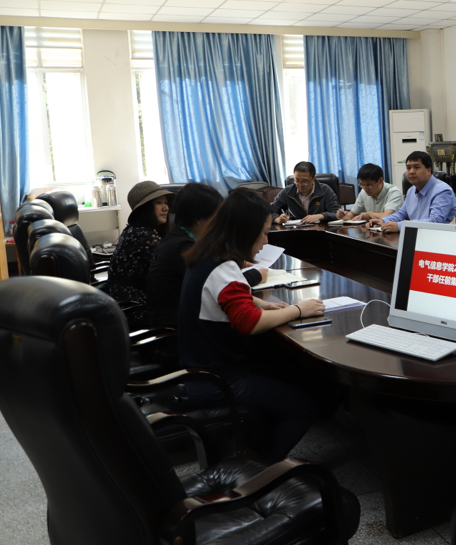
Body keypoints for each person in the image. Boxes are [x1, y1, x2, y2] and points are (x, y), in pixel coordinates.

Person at [179, 189, 326, 462]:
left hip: (203, 369)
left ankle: (255, 445)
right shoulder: (223, 268)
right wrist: (298, 310)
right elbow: (250, 323)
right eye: (264, 233)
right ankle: (261, 467)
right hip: (221, 380)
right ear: (245, 232)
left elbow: (215, 298)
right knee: (306, 407)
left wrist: (256, 302)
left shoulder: (207, 255)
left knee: (292, 372)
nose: (265, 241)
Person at [143, 183, 266, 328]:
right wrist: (255, 275)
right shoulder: (183, 248)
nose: (219, 222)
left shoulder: (176, 238)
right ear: (198, 218)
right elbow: (215, 284)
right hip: (171, 328)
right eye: (216, 216)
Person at [105, 180, 173, 329]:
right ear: (145, 208)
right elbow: (167, 273)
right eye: (159, 203)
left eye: (166, 203)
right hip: (136, 307)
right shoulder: (146, 236)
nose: (166, 208)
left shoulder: (132, 230)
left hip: (121, 303)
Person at [368, 151, 456, 234]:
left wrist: (399, 226)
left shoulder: (442, 191)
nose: (411, 171)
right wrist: (383, 221)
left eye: (417, 167)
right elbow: (402, 214)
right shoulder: (411, 190)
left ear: (428, 170)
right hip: (418, 235)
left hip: (441, 237)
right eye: (408, 168)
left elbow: (435, 222)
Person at [270, 161, 339, 224]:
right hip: (295, 229)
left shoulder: (325, 190)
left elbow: (336, 213)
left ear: (313, 179)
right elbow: (269, 211)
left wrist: (320, 216)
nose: (300, 185)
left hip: (320, 229)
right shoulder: (288, 191)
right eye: (297, 181)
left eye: (304, 182)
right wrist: (277, 219)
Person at [336, 163, 404, 222]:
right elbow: (352, 214)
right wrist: (343, 216)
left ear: (380, 181)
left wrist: (369, 214)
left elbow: (387, 216)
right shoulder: (363, 192)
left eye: (368, 185)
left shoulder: (394, 192)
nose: (365, 188)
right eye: (362, 185)